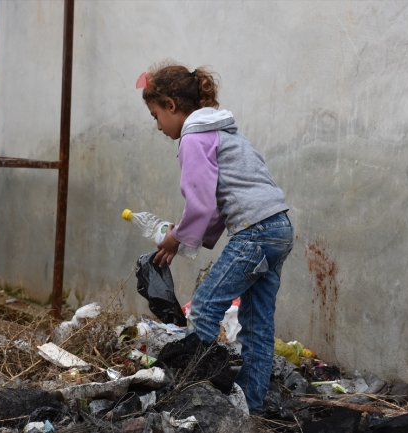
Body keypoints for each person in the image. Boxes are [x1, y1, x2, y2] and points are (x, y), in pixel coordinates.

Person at [137, 62, 294, 410]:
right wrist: (187, 239)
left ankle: (194, 393)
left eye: (155, 115)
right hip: (279, 227)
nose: (157, 126)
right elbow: (219, 205)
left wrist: (176, 237)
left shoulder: (194, 137)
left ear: (172, 106)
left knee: (205, 307)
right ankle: (250, 403)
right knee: (257, 322)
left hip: (255, 232)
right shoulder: (226, 132)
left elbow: (201, 203)